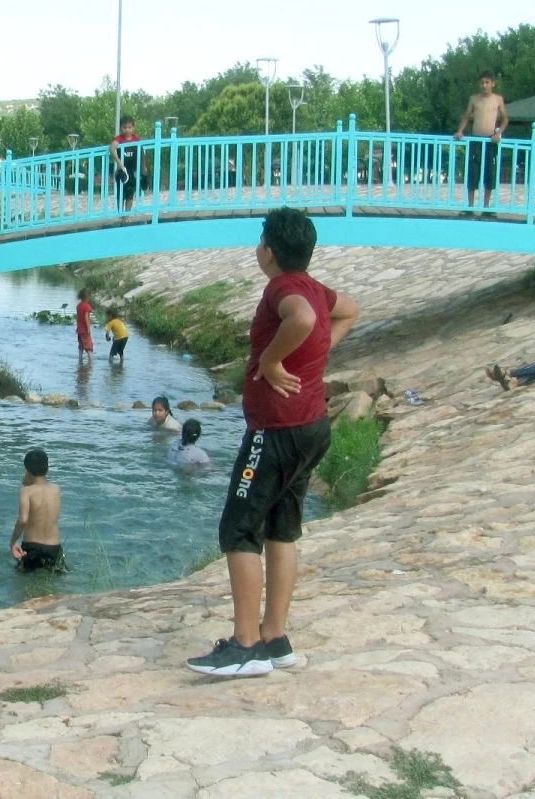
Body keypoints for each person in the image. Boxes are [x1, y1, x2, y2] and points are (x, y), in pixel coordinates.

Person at [187, 208, 360, 678]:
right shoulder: (313, 285)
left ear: (269, 250)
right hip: (311, 426)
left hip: (276, 431)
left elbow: (302, 319)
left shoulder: (284, 289)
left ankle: (244, 647)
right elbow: (349, 310)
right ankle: (274, 637)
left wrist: (271, 359)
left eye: (261, 239)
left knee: (239, 529)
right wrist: (313, 357)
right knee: (282, 529)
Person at [454, 71, 508, 214]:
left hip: (490, 141)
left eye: (487, 82)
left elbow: (505, 119)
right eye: (482, 83)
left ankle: (486, 207)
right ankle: (470, 206)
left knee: (489, 172)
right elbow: (466, 117)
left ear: (492, 83)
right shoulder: (474, 99)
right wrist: (460, 131)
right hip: (476, 140)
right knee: (473, 171)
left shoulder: (498, 99)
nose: (484, 85)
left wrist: (498, 133)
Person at [10, 449, 64, 572]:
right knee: (53, 585)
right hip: (53, 547)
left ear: (27, 471)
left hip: (32, 547)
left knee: (23, 585)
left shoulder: (26, 491)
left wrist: (13, 542)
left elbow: (23, 520)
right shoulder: (56, 489)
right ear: (47, 469)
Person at [110, 115, 142, 212]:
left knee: (130, 194)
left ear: (133, 128)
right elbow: (112, 148)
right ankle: (120, 214)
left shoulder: (136, 139)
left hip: (132, 171)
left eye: (129, 127)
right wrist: (119, 163)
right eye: (124, 127)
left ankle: (126, 215)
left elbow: (142, 152)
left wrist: (142, 167)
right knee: (121, 194)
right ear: (121, 128)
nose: (127, 130)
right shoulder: (119, 139)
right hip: (122, 171)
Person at [76, 288, 94, 364]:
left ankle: (80, 361)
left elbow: (78, 317)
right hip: (84, 330)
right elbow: (86, 317)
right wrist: (88, 328)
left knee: (81, 347)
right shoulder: (87, 306)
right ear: (87, 297)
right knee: (89, 348)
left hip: (79, 330)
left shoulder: (79, 306)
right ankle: (91, 364)